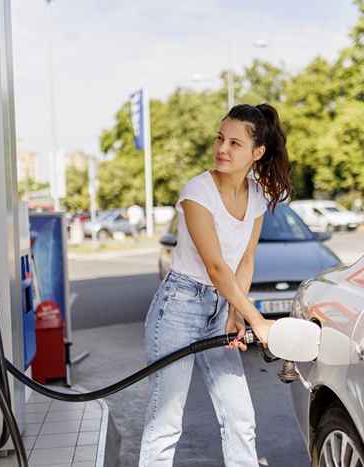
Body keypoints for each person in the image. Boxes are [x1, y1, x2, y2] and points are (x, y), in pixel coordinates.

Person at [139, 103, 292, 467]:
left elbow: (246, 260)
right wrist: (258, 319)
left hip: (219, 309)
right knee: (166, 422)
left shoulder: (257, 196)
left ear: (257, 153)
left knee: (239, 418)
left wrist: (236, 313)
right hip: (178, 307)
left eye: (235, 143)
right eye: (220, 139)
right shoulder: (197, 192)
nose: (222, 148)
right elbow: (216, 266)